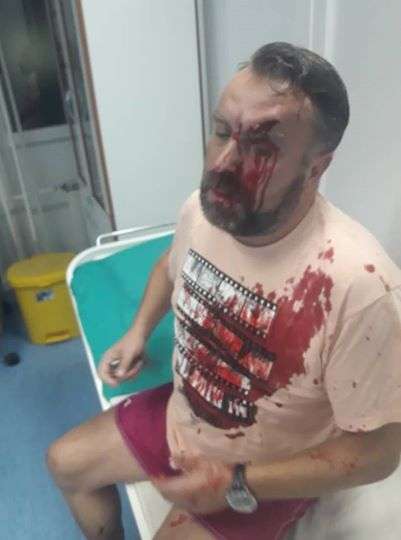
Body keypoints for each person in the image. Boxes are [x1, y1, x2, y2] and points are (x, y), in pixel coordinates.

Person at [46, 42, 401, 540]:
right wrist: (137, 332)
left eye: (262, 148)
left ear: (316, 167)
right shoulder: (204, 209)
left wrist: (236, 482)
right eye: (220, 132)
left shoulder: (359, 286)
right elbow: (170, 266)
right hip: (187, 413)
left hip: (269, 463)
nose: (223, 165)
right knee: (64, 462)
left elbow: (378, 453)